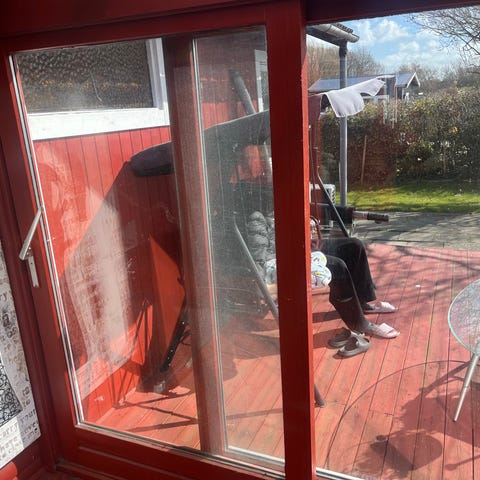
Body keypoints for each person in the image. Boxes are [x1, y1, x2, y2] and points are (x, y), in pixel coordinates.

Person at [318, 235, 399, 358]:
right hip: (291, 254)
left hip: (306, 245)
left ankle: (361, 302)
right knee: (337, 266)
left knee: (355, 245)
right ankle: (359, 324)